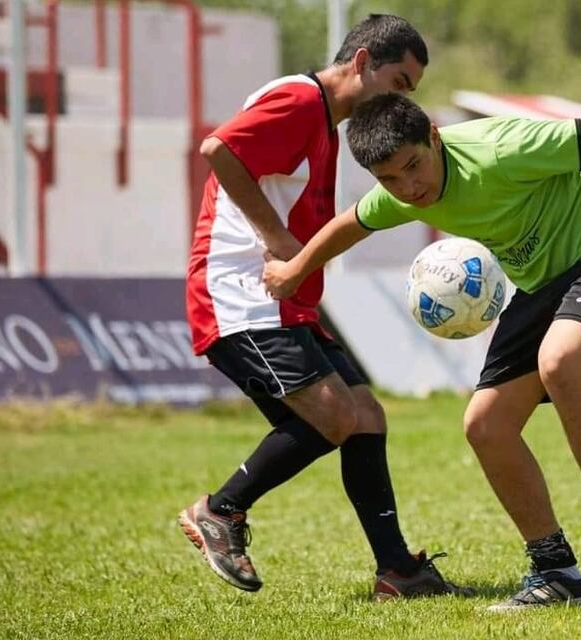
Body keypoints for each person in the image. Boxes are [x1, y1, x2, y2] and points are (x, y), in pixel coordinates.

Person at [262, 92, 581, 609]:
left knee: (560, 361)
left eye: (413, 166)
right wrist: (293, 270)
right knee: (485, 424)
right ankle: (554, 570)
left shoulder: (504, 148)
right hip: (543, 284)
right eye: (390, 179)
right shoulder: (400, 193)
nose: (409, 187)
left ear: (434, 136)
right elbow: (351, 224)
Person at [180, 16, 471, 600]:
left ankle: (396, 570)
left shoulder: (327, 122)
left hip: (284, 303)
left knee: (364, 414)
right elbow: (220, 150)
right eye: (399, 82)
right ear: (362, 62)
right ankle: (220, 510)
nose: (400, 99)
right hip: (241, 297)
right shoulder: (297, 99)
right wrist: (278, 240)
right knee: (334, 417)